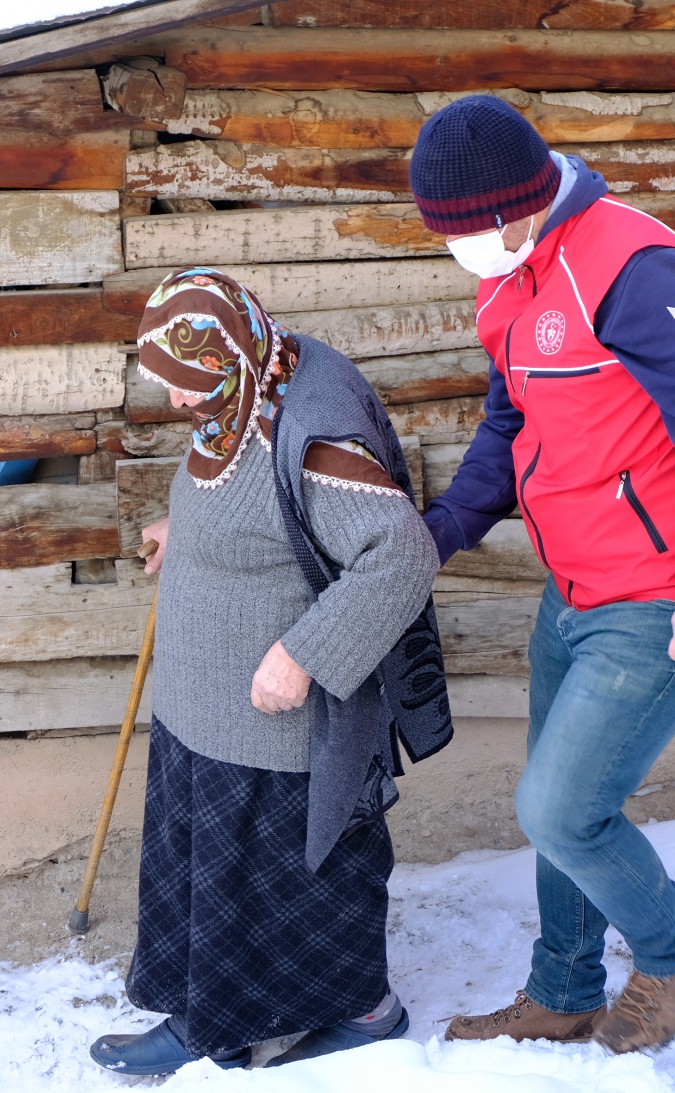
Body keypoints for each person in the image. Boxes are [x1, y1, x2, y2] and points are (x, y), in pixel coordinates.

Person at [407, 96, 675, 1054]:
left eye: (461, 230)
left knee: (559, 808)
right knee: (562, 804)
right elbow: (510, 423)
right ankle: (564, 989)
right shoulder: (508, 280)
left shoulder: (635, 268)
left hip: (664, 592)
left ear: (515, 207)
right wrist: (446, 528)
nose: (455, 250)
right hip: (571, 588)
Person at [89, 268, 450, 1075]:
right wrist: (187, 528)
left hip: (267, 721)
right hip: (202, 704)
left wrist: (306, 654)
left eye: (189, 382)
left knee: (275, 876)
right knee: (209, 866)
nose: (177, 400)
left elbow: (400, 554)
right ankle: (209, 1016)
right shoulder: (251, 376)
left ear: (232, 353)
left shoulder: (314, 428)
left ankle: (361, 1014)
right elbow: (255, 499)